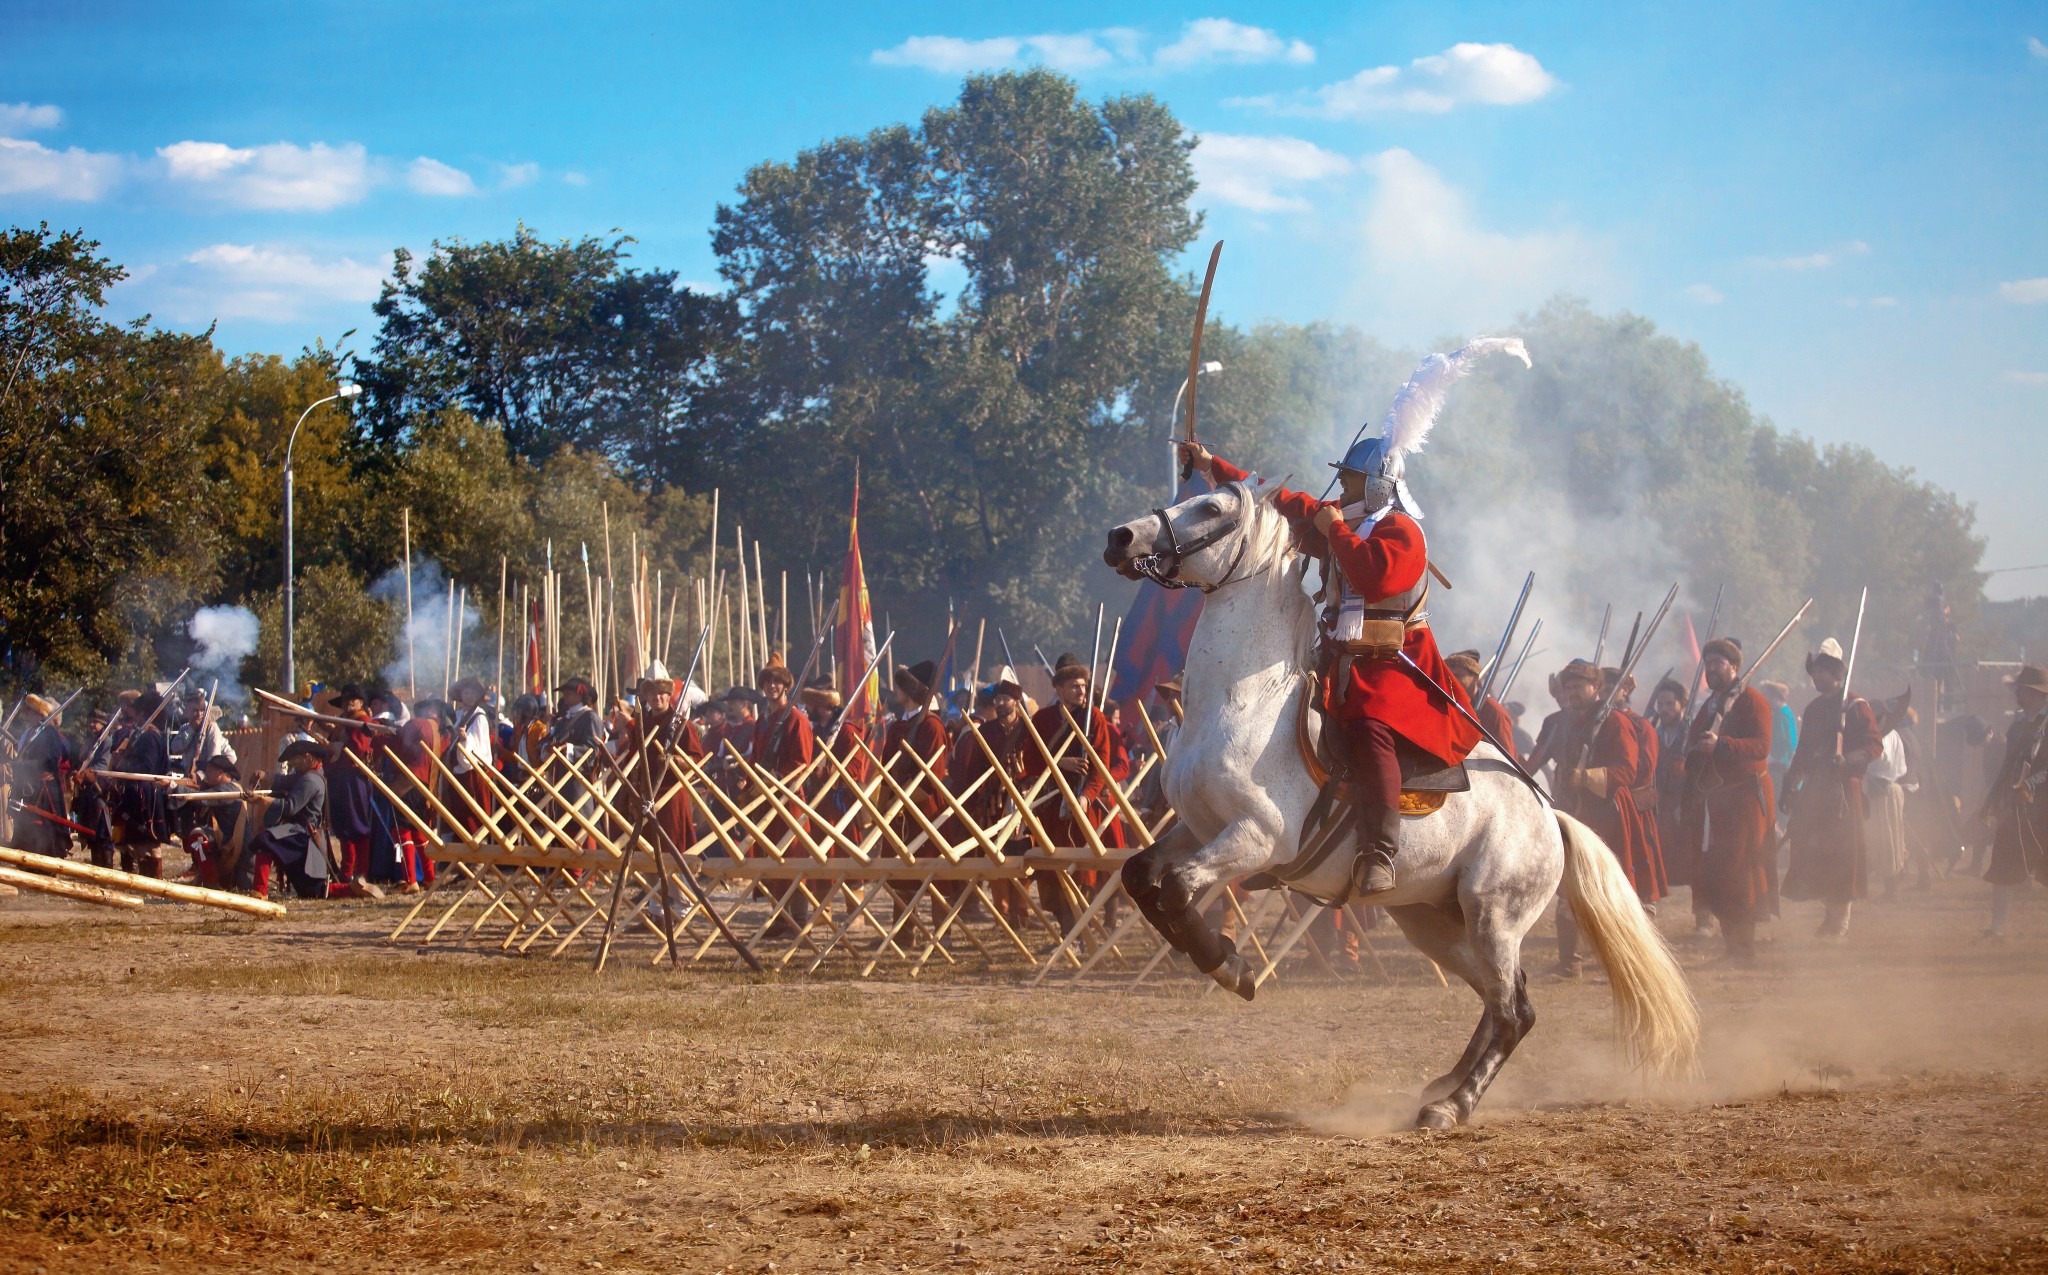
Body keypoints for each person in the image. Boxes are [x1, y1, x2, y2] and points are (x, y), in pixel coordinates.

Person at [1181, 437, 1479, 896]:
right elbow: (1278, 499)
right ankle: (1289, 834)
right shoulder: (1343, 521)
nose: (1342, 484)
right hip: (1338, 658)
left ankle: (1379, 851)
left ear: (1379, 485)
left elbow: (1373, 576)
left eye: (1351, 478)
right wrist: (1211, 465)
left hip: (1392, 664)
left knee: (1371, 730)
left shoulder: (1402, 531)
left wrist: (1334, 530)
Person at [1548, 659, 1660, 975]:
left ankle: (1629, 963)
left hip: (1610, 814)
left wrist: (1584, 777)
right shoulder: (1572, 723)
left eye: (1578, 686)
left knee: (1615, 890)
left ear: (1596, 687)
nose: (1572, 692)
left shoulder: (1616, 722)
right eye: (1568, 687)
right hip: (1577, 813)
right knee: (1572, 888)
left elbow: (1627, 771)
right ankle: (1570, 964)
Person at [1679, 637, 1777, 963]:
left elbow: (1761, 746)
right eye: (1708, 664)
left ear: (1734, 666)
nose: (1711, 669)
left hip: (1746, 799)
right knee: (1719, 871)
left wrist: (1722, 744)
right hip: (1716, 801)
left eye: (1717, 663)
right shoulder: (1710, 705)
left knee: (1743, 872)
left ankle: (1744, 949)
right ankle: (1731, 946)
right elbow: (1694, 743)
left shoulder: (1752, 701)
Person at [1780, 637, 1883, 939]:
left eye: (1822, 671)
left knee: (1842, 857)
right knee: (1816, 855)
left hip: (1844, 792)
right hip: (1816, 791)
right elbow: (1803, 752)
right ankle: (1830, 916)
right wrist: (1790, 783)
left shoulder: (1856, 707)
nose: (1816, 676)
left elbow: (1874, 745)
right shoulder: (1813, 709)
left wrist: (1848, 760)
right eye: (1814, 671)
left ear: (1836, 673)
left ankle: (1840, 924)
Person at [1022, 654, 1125, 930]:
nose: (1081, 691)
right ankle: (1069, 932)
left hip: (1083, 805)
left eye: (1083, 686)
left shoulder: (1095, 718)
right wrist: (1059, 762)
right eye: (1074, 686)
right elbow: (1030, 761)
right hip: (1053, 804)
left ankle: (1080, 934)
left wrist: (1086, 797)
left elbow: (1101, 766)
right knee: (1052, 872)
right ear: (1059, 689)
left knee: (1084, 874)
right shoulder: (1043, 719)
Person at [750, 652, 816, 935]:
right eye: (768, 682)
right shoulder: (762, 722)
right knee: (771, 859)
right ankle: (779, 918)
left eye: (777, 682)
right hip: (766, 800)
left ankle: (798, 920)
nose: (772, 686)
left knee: (793, 858)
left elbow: (801, 763)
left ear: (786, 686)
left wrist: (776, 780)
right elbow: (755, 759)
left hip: (789, 800)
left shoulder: (796, 719)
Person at [1980, 664, 2048, 939]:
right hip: (2015, 809)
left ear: (2036, 693)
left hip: (2043, 809)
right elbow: (2009, 767)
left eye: (2022, 689)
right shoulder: (2018, 725)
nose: (2017, 694)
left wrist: (2030, 784)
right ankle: (1997, 930)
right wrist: (1995, 801)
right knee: (2002, 868)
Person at [240, 735, 330, 899]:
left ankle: (259, 891)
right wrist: (265, 776)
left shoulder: (310, 779)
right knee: (311, 891)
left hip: (302, 834)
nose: (292, 763)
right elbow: (286, 781)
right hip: (297, 832)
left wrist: (261, 800)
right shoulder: (308, 774)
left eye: (295, 759)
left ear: (307, 757)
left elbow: (290, 807)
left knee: (265, 840)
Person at [323, 685, 382, 895]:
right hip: (340, 779)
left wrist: (339, 749)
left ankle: (359, 872)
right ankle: (347, 871)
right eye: (345, 700)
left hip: (355, 779)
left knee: (358, 826)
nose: (348, 703)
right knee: (343, 825)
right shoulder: (343, 722)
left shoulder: (363, 721)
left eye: (353, 699)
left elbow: (357, 749)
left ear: (361, 703)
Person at [8, 694, 73, 859]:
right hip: (29, 788)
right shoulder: (30, 732)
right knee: (26, 829)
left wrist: (25, 766)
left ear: (39, 713)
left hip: (44, 791)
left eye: (29, 711)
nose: (26, 714)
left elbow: (51, 761)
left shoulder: (50, 733)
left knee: (44, 831)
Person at [1444, 649, 1519, 762]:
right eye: (1449, 676)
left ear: (1474, 677)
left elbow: (1507, 758)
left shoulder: (1493, 711)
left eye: (1458, 675)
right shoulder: (1448, 705)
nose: (1452, 680)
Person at [447, 677, 497, 830]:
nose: (469, 696)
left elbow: (478, 749)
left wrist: (464, 740)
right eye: (466, 693)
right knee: (458, 815)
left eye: (473, 693)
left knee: (474, 817)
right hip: (457, 772)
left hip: (473, 773)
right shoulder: (457, 715)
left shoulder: (479, 717)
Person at [1760, 681, 1799, 801]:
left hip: (1779, 768)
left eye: (1767, 695)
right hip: (1776, 766)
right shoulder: (1780, 714)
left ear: (1776, 697)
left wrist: (1775, 759)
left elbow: (1789, 743)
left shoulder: (1783, 715)